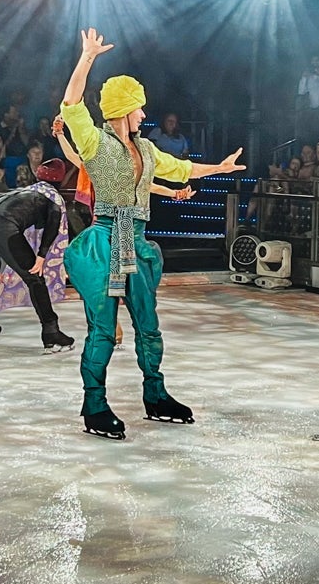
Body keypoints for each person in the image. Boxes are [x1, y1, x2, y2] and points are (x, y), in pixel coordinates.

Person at [58, 28, 245, 439]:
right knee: (103, 329)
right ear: (123, 110)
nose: (144, 115)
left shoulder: (145, 149)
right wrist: (88, 57)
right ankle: (94, 404)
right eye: (138, 108)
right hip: (106, 239)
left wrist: (219, 168)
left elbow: (181, 169)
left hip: (136, 241)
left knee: (148, 325)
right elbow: (72, 104)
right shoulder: (95, 142)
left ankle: (156, 396)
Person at [0, 159, 77, 350]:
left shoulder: (26, 190)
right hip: (4, 227)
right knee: (35, 279)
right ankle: (52, 332)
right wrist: (41, 256)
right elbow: (53, 224)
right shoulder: (52, 197)